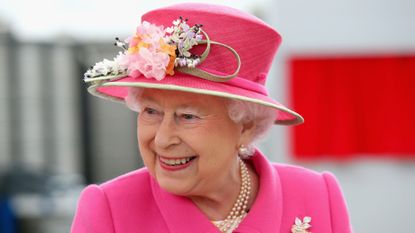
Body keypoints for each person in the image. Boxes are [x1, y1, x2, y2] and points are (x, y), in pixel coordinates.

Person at [71, 3, 352, 233]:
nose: (162, 139)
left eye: (188, 116)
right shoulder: (110, 210)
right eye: (151, 111)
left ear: (246, 127)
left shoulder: (317, 196)